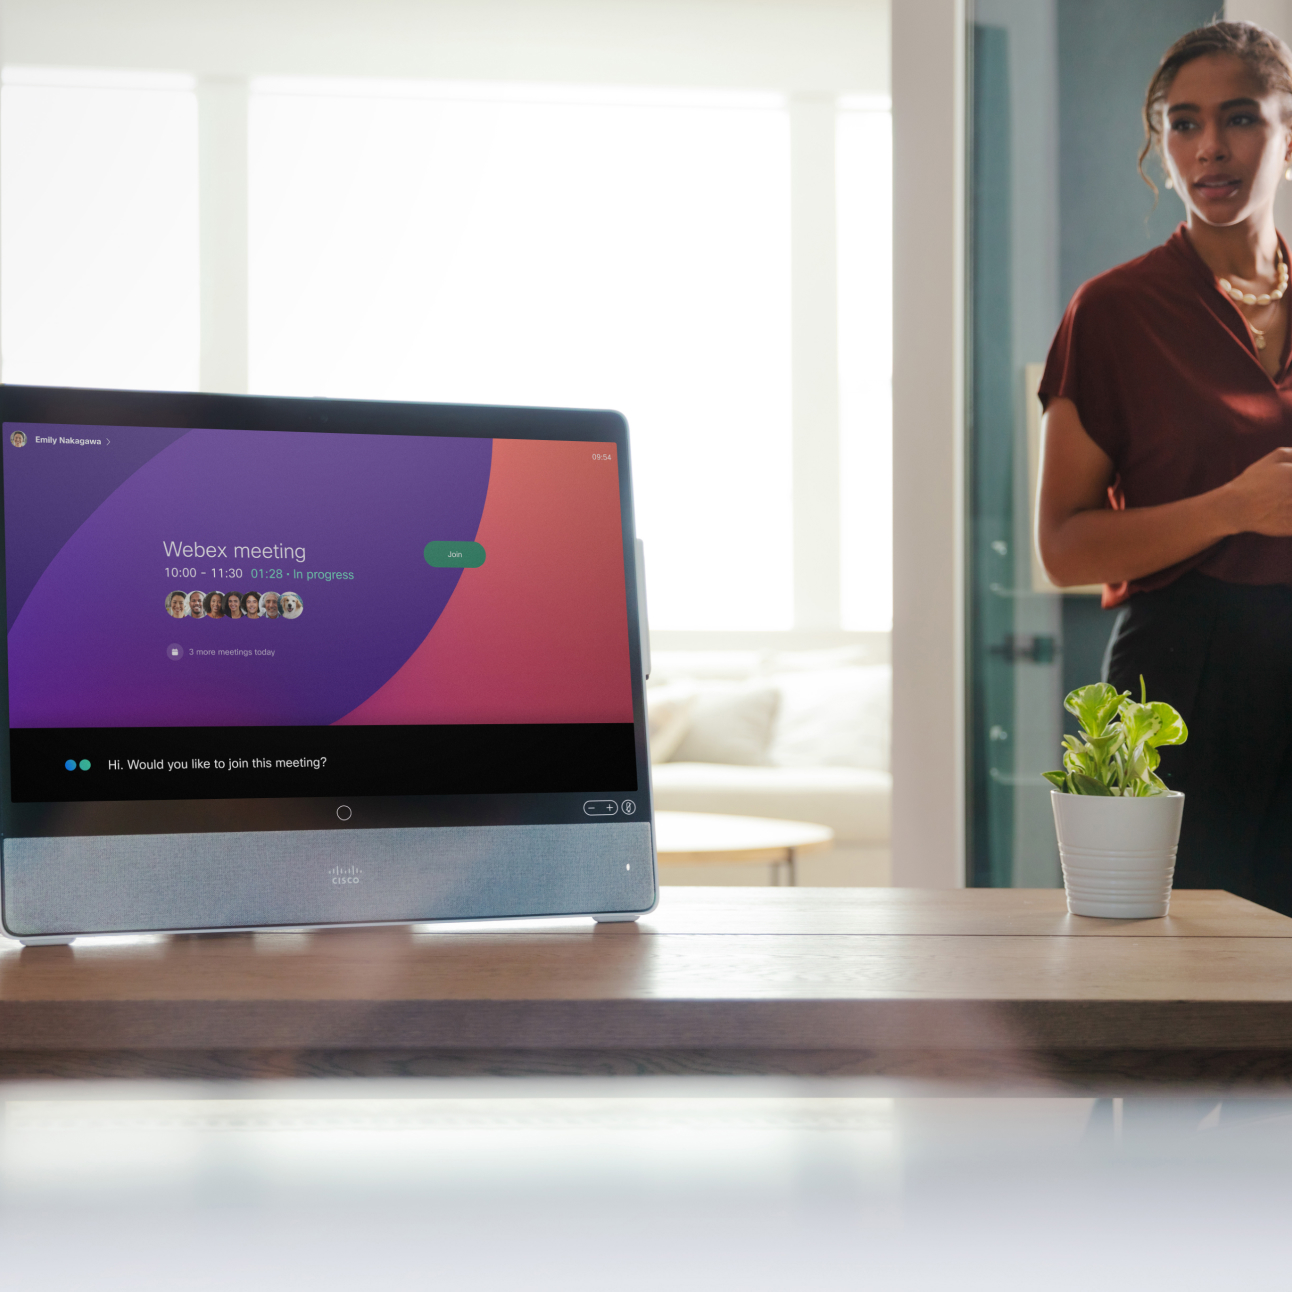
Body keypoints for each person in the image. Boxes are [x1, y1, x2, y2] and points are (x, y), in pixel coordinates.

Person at [1036, 20, 1292, 915]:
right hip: (1184, 679)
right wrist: (1235, 505)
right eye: (1183, 123)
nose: (1209, 147)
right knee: (1181, 976)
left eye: (1240, 119)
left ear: (1287, 131)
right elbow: (1063, 548)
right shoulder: (1112, 313)